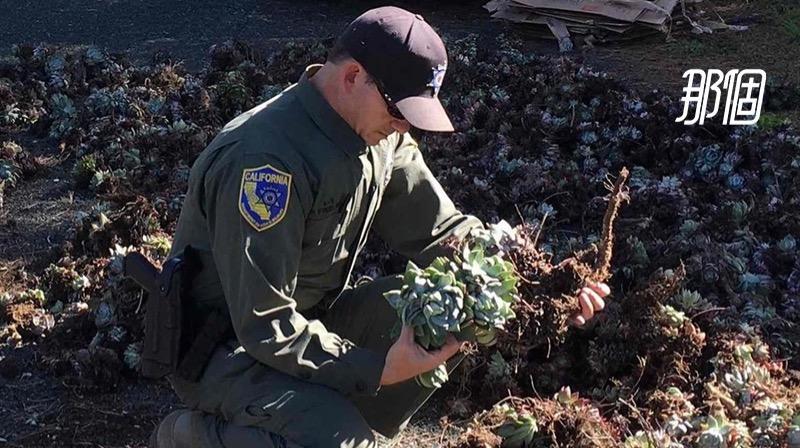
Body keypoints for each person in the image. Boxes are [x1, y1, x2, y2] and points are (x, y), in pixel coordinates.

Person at [151, 6, 611, 448]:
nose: (403, 128)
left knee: (455, 310)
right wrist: (377, 370)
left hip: (308, 319)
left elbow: (440, 232)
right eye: (398, 112)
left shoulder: (378, 136)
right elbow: (265, 323)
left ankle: (325, 418)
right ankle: (190, 436)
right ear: (352, 77)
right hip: (225, 351)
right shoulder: (266, 163)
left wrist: (539, 288)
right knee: (340, 442)